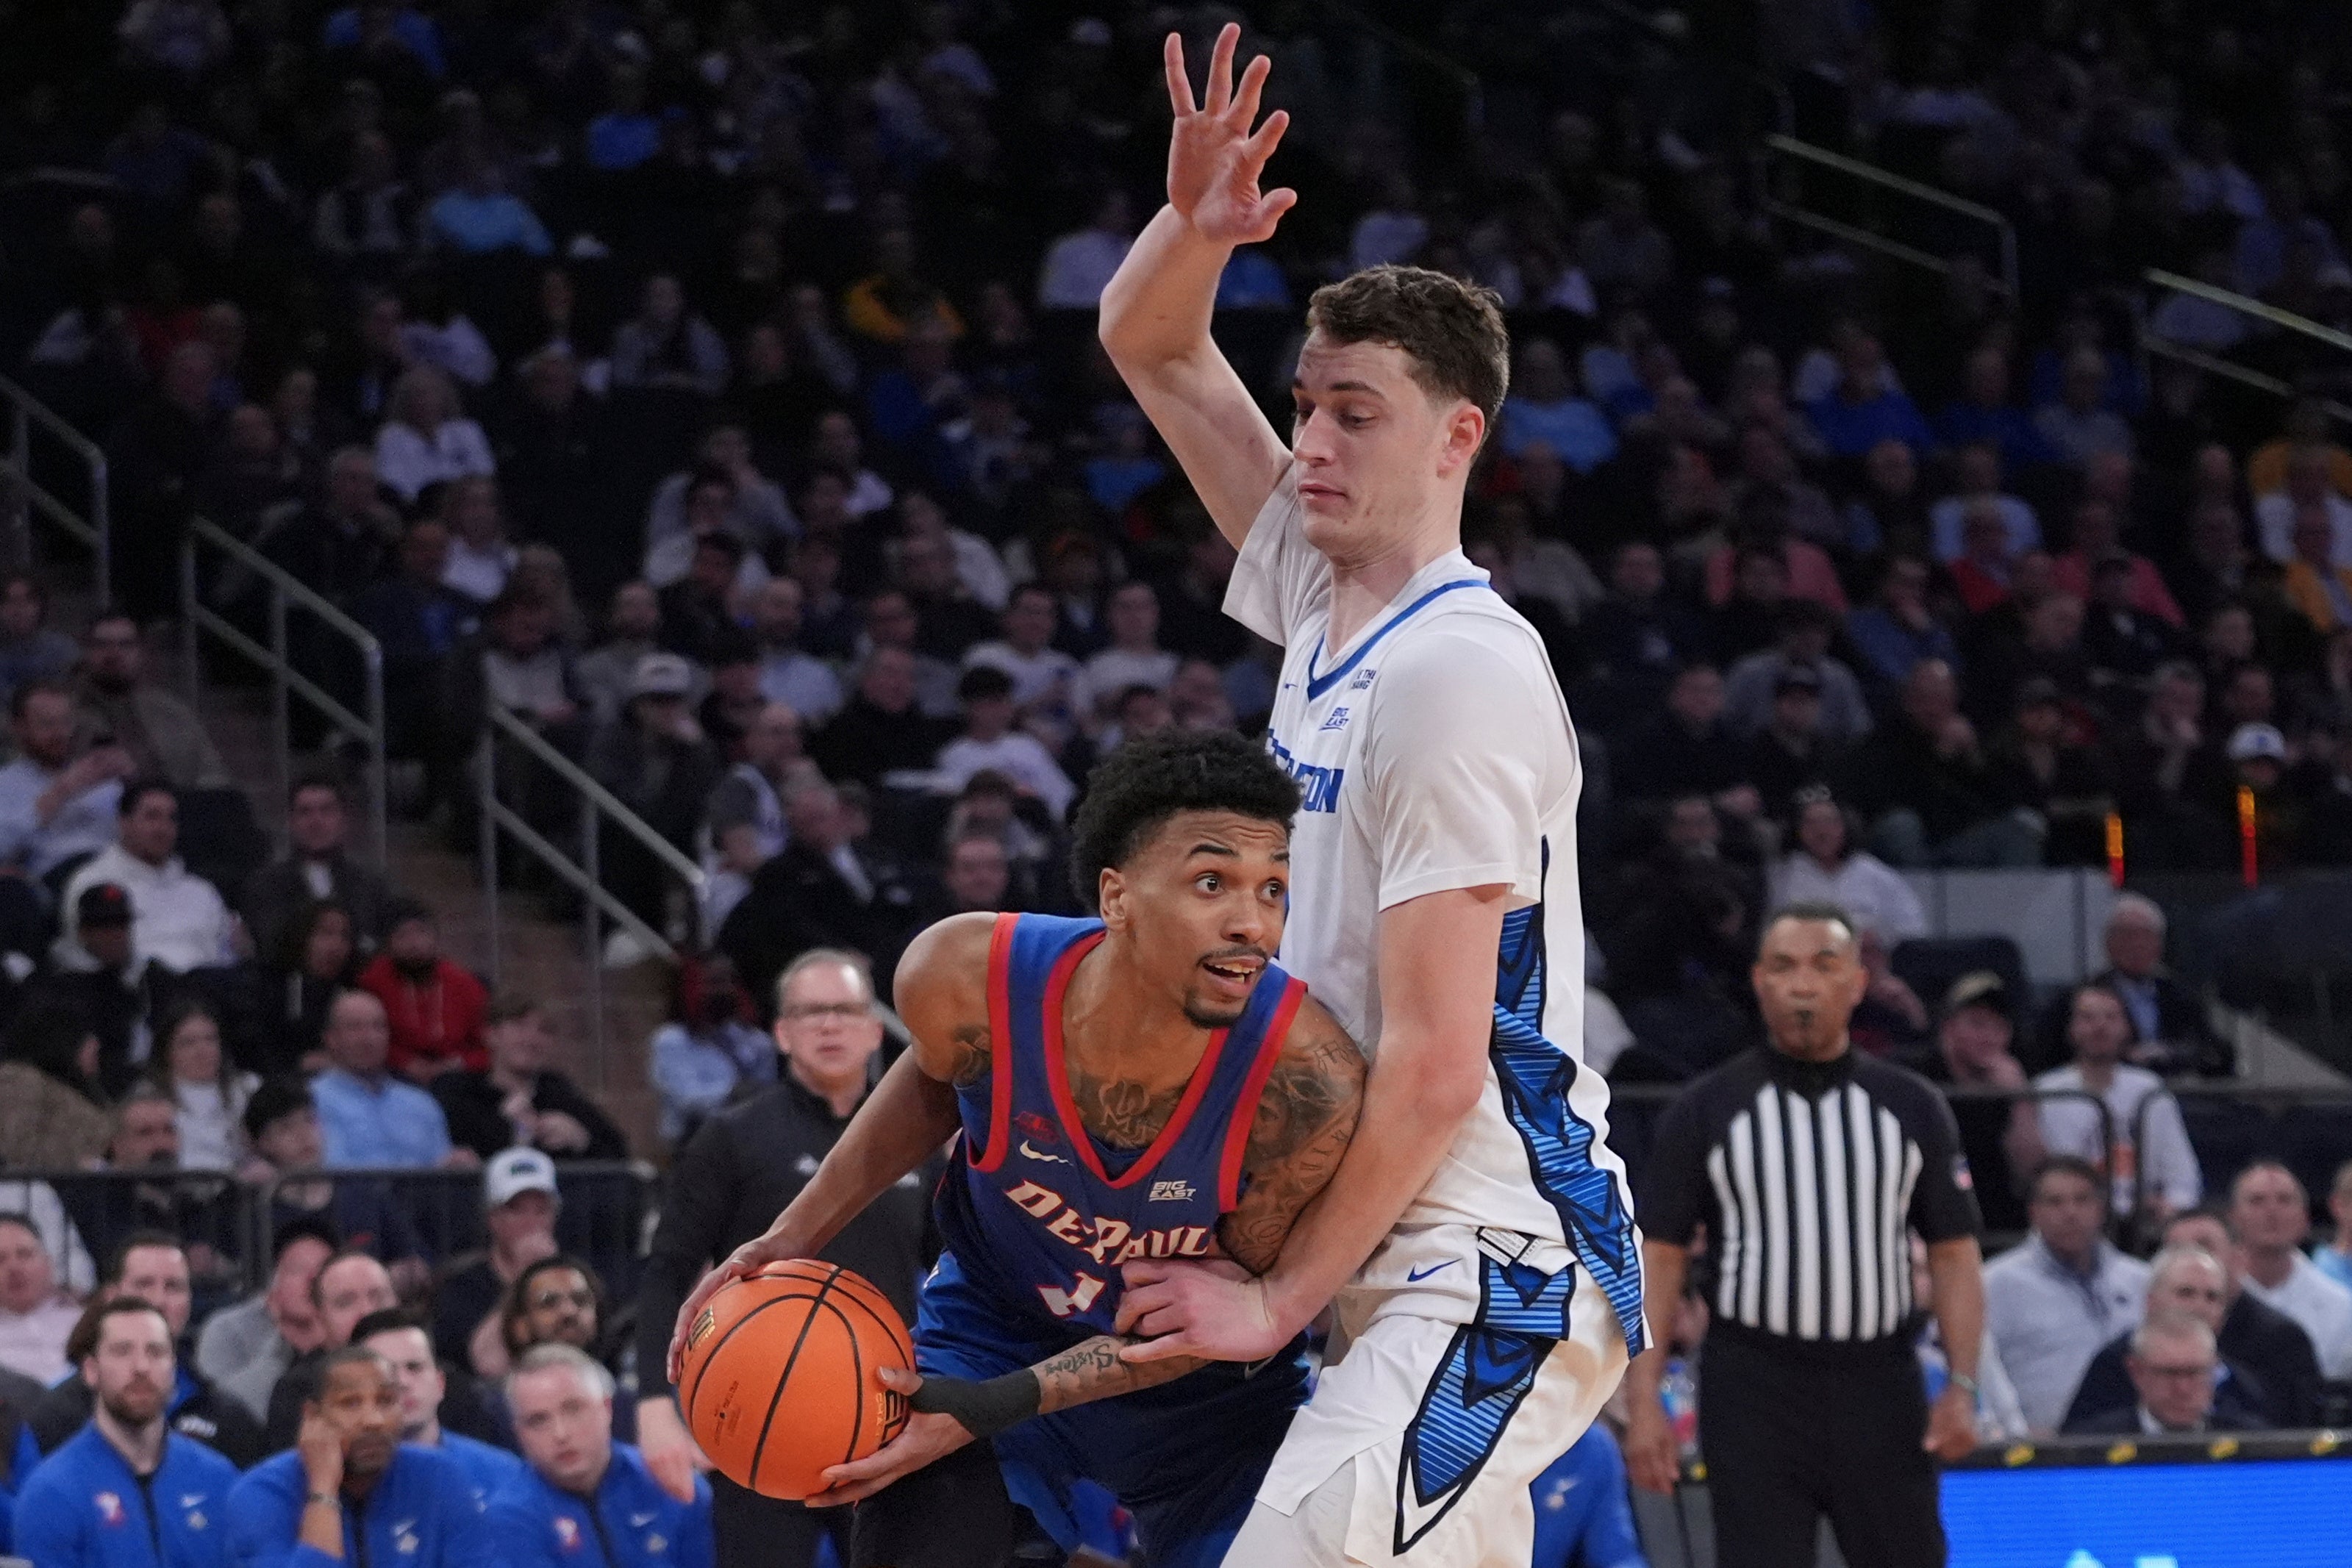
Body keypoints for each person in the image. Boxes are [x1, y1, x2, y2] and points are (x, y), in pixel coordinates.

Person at [1093, 32, 1643, 1564]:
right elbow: (1151, 349)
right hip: (1367, 1235)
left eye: (1357, 415)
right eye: (1310, 405)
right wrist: (1194, 233)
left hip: (1492, 1257)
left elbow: (1436, 1066)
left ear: (1460, 435)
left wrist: (1270, 1299)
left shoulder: (1458, 672)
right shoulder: (1328, 599)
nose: (1314, 443)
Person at [667, 728, 1366, 1568]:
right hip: (995, 1325)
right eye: (1212, 883)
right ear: (1117, 896)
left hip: (1208, 1404)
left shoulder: (1307, 1082)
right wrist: (793, 1234)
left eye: (1274, 890)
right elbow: (937, 1079)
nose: (1252, 923)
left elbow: (1217, 1314)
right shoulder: (964, 974)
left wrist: (1002, 1402)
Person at [1626, 905, 1984, 1566]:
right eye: (1785, 966)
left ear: (1856, 982)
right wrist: (1641, 1397)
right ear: (1759, 981)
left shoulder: (1911, 1107)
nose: (1803, 984)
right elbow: (1660, 1256)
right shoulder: (1706, 1108)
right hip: (1752, 1386)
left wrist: (1963, 1384)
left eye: (1824, 965)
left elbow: (1955, 1254)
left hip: (1880, 1383)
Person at [632, 950, 932, 1568]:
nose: (829, 1025)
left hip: (877, 1421)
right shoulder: (733, 1136)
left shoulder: (917, 1138)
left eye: (845, 1010)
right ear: (781, 1031)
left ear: (875, 1029)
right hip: (755, 1418)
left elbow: (957, 1270)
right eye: (810, 1011)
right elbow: (667, 1268)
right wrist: (653, 1402)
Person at [12, 1298, 244, 1568]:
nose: (141, 1367)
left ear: (173, 1369)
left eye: (155, 1352)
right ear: (91, 1371)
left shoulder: (217, 1479)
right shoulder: (52, 1492)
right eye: (122, 1351)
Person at [228, 1347, 490, 1568]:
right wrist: (322, 1489)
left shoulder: (440, 1478)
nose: (373, 1421)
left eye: (386, 1401)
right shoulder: (262, 1493)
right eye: (350, 1403)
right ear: (312, 1417)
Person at [26, 1234, 266, 1467]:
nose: (159, 1300)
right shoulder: (58, 1415)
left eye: (174, 1287)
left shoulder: (229, 1418)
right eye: (144, 1284)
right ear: (111, 1296)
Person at [485, 1345, 712, 1568]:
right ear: (519, 1434)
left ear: (607, 1408)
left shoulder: (672, 1484)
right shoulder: (506, 1519)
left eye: (574, 1409)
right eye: (538, 1421)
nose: (560, 1434)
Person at [1981, 1157, 2153, 1433]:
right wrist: (2014, 1431)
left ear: (2100, 1209)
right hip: (2042, 1449)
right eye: (2055, 1202)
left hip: (2137, 1443)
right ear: (2034, 1212)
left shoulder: (2141, 1279)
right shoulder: (1994, 1283)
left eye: (2082, 1200)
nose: (2070, 1213)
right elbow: (1981, 1369)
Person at [2021, 984, 2201, 1220]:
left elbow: (2182, 1177)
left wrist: (2172, 1208)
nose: (2100, 1026)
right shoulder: (2046, 1091)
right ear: (2071, 1029)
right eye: (2088, 1017)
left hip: (2142, 1222)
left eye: (2111, 1017)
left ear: (2127, 1027)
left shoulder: (2150, 1088)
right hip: (2070, 1220)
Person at [2063, 1245, 2276, 1431]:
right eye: (2186, 1293)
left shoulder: (2244, 1385)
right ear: (2151, 1302)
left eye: (2212, 1297)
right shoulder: (2112, 1366)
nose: (2200, 1307)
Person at [2042, 894, 2230, 1078]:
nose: (2136, 944)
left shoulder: (2180, 994)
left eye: (2146, 936)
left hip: (2175, 1088)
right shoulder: (2082, 996)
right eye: (2127, 935)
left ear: (2159, 945)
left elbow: (2210, 1047)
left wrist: (2174, 1053)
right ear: (2108, 942)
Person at [58, 782, 237, 975]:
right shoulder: (92, 884)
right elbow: (82, 959)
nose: (163, 828)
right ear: (124, 823)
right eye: (152, 817)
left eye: (171, 819)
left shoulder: (201, 891)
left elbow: (226, 957)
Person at [352, 1311, 521, 1508]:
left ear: (440, 1384)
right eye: (385, 1372)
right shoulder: (337, 1483)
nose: (402, 1383)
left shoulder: (504, 1474)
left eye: (414, 1367)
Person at [431, 995, 625, 1164]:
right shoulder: (459, 1095)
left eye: (544, 1030)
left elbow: (619, 1155)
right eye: (519, 1026)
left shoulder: (560, 1094)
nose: (531, 1039)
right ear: (491, 1035)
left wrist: (581, 1139)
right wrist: (510, 1129)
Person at [238, 777, 396, 964]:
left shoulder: (370, 883)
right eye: (305, 812)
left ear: (343, 820)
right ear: (291, 821)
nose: (316, 821)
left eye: (326, 811)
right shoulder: (265, 885)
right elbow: (270, 943)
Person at [430, 1148, 560, 1370]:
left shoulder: (573, 1279)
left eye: (541, 1210)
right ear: (493, 1218)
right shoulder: (462, 1284)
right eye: (517, 1210)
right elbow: (486, 1364)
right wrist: (526, 1277)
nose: (531, 1223)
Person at [309, 990, 471, 1170]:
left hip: (421, 1197)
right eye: (355, 1028)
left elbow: (444, 1176)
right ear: (331, 1038)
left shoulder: (422, 1105)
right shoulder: (312, 1101)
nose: (369, 1038)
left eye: (378, 1027)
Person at [196, 1220, 333, 1425]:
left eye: (323, 1270)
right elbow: (221, 1412)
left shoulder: (355, 1326)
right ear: (273, 1284)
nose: (312, 1280)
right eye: (298, 1269)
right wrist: (280, 1343)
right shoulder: (227, 1329)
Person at [71, 616, 230, 792]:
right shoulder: (64, 713)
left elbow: (212, 775)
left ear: (141, 652)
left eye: (125, 645)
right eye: (102, 645)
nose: (114, 653)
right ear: (86, 651)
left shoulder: (171, 713)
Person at [0, 679, 132, 885]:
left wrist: (133, 785)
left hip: (116, 874)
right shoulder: (7, 783)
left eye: (65, 722)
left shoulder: (100, 776)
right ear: (19, 728)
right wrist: (60, 793)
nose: (60, 733)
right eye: (47, 724)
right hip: (51, 882)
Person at [2231, 1161, 2352, 1378]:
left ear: (2305, 1219)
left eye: (2284, 1200)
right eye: (2257, 1201)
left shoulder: (2341, 1306)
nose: (2272, 1212)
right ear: (2234, 1217)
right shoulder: (2210, 1294)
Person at [1767, 790, 1928, 945]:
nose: (1822, 832)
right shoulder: (1783, 875)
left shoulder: (1873, 873)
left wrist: (1879, 938)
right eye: (1811, 823)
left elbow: (1913, 925)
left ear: (1845, 826)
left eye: (1829, 822)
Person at [646, 956, 771, 1147]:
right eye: (714, 982)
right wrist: (734, 1093)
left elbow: (767, 1096)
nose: (723, 990)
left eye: (729, 981)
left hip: (746, 1141)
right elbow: (687, 1101)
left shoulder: (755, 1041)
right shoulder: (671, 1041)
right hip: (691, 1143)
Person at [357, 903, 487, 1083]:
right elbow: (360, 1037)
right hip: (391, 1074)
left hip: (458, 1077)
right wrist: (404, 1062)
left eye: (421, 933)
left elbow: (488, 1045)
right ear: (389, 944)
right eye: (403, 936)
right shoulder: (374, 982)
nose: (414, 944)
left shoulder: (464, 984)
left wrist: (458, 1063)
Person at [2062, 1312, 2253, 1435]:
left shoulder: (2252, 1445)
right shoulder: (2091, 1446)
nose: (2183, 1389)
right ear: (2136, 1371)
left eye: (2194, 1373)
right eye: (2169, 1373)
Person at [149, 1003, 256, 1173]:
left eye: (210, 1039)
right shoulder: (148, 1097)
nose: (202, 1050)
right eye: (188, 1043)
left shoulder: (249, 1088)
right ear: (167, 1051)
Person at [0, 1211, 85, 1384]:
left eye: (24, 1254)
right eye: (0, 1260)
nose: (14, 1268)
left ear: (48, 1264)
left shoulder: (83, 1320)